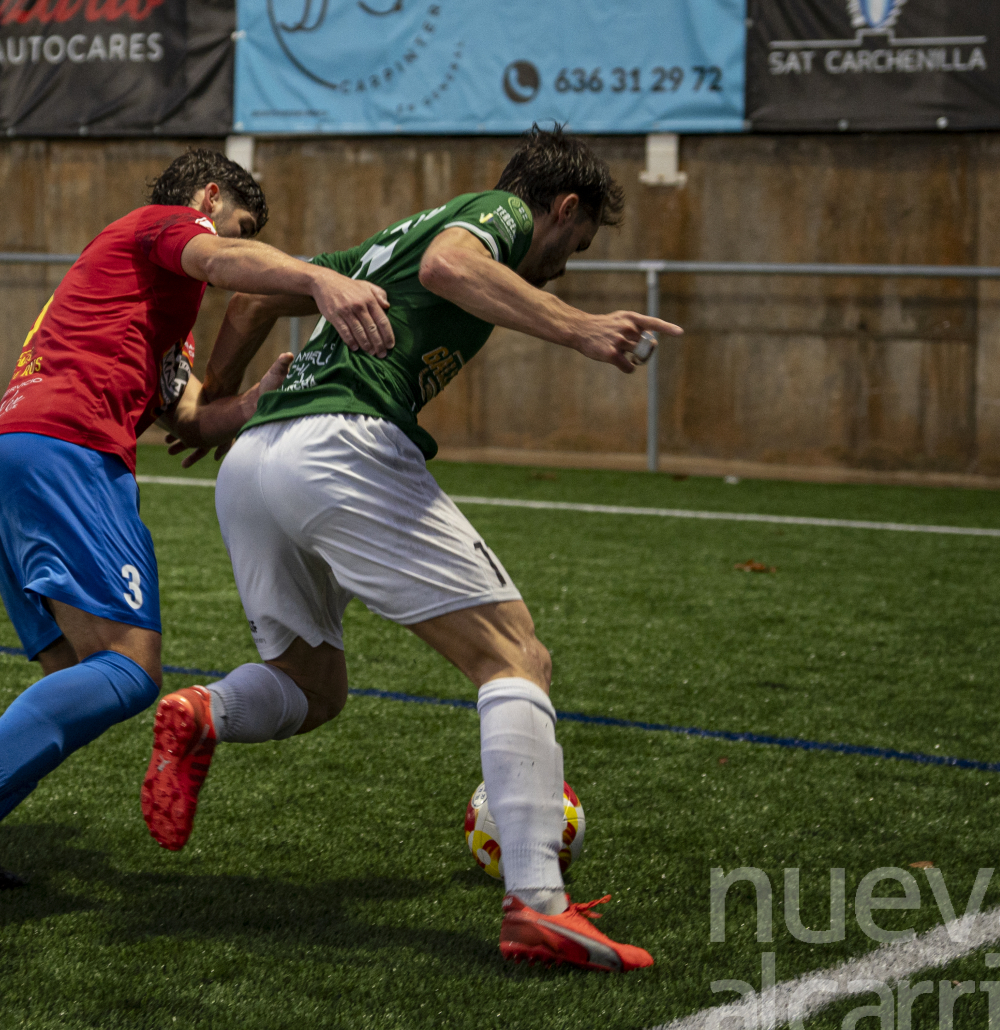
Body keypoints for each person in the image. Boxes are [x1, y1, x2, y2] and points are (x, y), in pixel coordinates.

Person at [139, 126, 682, 970]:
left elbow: (250, 303)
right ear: (563, 207)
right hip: (339, 446)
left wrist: (217, 407)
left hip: (256, 461)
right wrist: (580, 329)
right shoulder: (499, 214)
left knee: (311, 686)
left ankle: (203, 712)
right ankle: (540, 907)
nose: (564, 267)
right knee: (516, 657)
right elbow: (449, 269)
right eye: (574, 244)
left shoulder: (381, 246)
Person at [0, 148, 395, 926]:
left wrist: (256, 402)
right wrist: (319, 279)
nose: (236, 245)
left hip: (2, 459)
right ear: (210, 198)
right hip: (67, 449)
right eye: (241, 226)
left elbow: (188, 420)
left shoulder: (154, 306)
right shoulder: (164, 225)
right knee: (130, 669)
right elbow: (223, 261)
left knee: (78, 676)